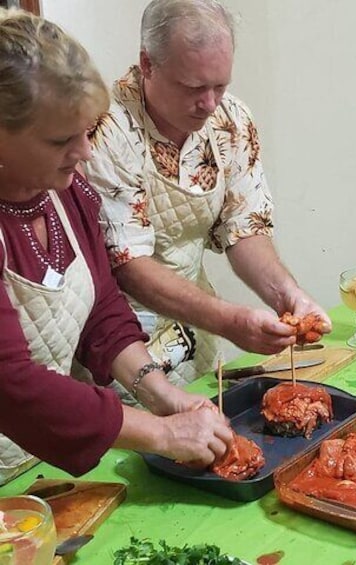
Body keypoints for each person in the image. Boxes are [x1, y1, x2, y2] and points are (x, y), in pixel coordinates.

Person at [0, 8, 233, 486]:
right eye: (63, 138)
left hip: (41, 465)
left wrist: (161, 393)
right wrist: (164, 436)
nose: (85, 151)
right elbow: (11, 386)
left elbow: (101, 308)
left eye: (87, 130)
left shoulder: (65, 191)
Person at [85, 0, 330, 394]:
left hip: (195, 334)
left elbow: (244, 227)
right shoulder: (106, 130)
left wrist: (287, 294)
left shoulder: (230, 120)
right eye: (195, 87)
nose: (211, 103)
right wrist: (230, 321)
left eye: (221, 85)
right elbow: (128, 265)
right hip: (123, 345)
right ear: (148, 64)